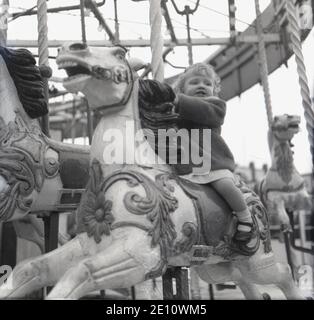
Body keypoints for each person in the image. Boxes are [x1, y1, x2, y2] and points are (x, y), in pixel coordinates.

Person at [138, 63, 255, 243]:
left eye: (207, 84)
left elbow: (205, 112)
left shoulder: (215, 106)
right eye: (194, 82)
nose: (201, 86)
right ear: (182, 88)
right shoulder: (177, 110)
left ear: (214, 90)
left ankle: (245, 217)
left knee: (224, 184)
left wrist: (176, 100)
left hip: (212, 163)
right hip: (185, 165)